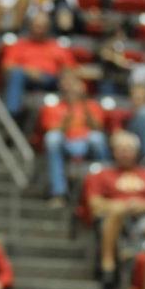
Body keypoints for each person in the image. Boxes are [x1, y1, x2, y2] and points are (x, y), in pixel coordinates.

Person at [87, 131, 145, 289]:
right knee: (117, 212)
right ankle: (108, 265)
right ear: (113, 151)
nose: (125, 153)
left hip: (143, 217)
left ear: (136, 152)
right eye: (121, 149)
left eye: (128, 149)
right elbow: (94, 204)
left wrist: (142, 205)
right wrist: (120, 206)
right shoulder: (101, 175)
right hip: (114, 219)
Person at [41, 71, 108, 206]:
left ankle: (106, 183)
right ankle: (59, 193)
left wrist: (83, 105)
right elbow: (52, 131)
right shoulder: (54, 106)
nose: (71, 88)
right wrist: (68, 116)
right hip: (66, 144)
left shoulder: (92, 105)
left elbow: (98, 127)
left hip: (86, 144)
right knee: (52, 138)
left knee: (97, 138)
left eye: (74, 84)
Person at [1, 11, 76, 117]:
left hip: (51, 80)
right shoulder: (19, 45)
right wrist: (28, 71)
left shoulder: (57, 46)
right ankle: (11, 114)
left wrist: (64, 79)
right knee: (16, 74)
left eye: (43, 27)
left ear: (48, 28)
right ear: (30, 26)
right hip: (26, 79)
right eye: (37, 26)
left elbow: (69, 68)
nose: (39, 30)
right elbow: (7, 67)